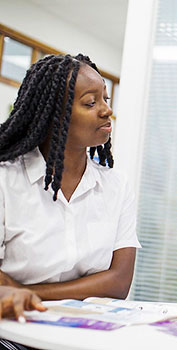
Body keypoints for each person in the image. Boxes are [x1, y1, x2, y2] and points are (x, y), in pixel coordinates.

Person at [0, 54, 141, 301]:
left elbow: (118, 283)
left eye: (105, 99)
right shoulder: (6, 179)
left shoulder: (117, 186)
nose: (107, 110)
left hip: (87, 332)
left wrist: (24, 291)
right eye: (90, 103)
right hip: (13, 330)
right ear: (54, 115)